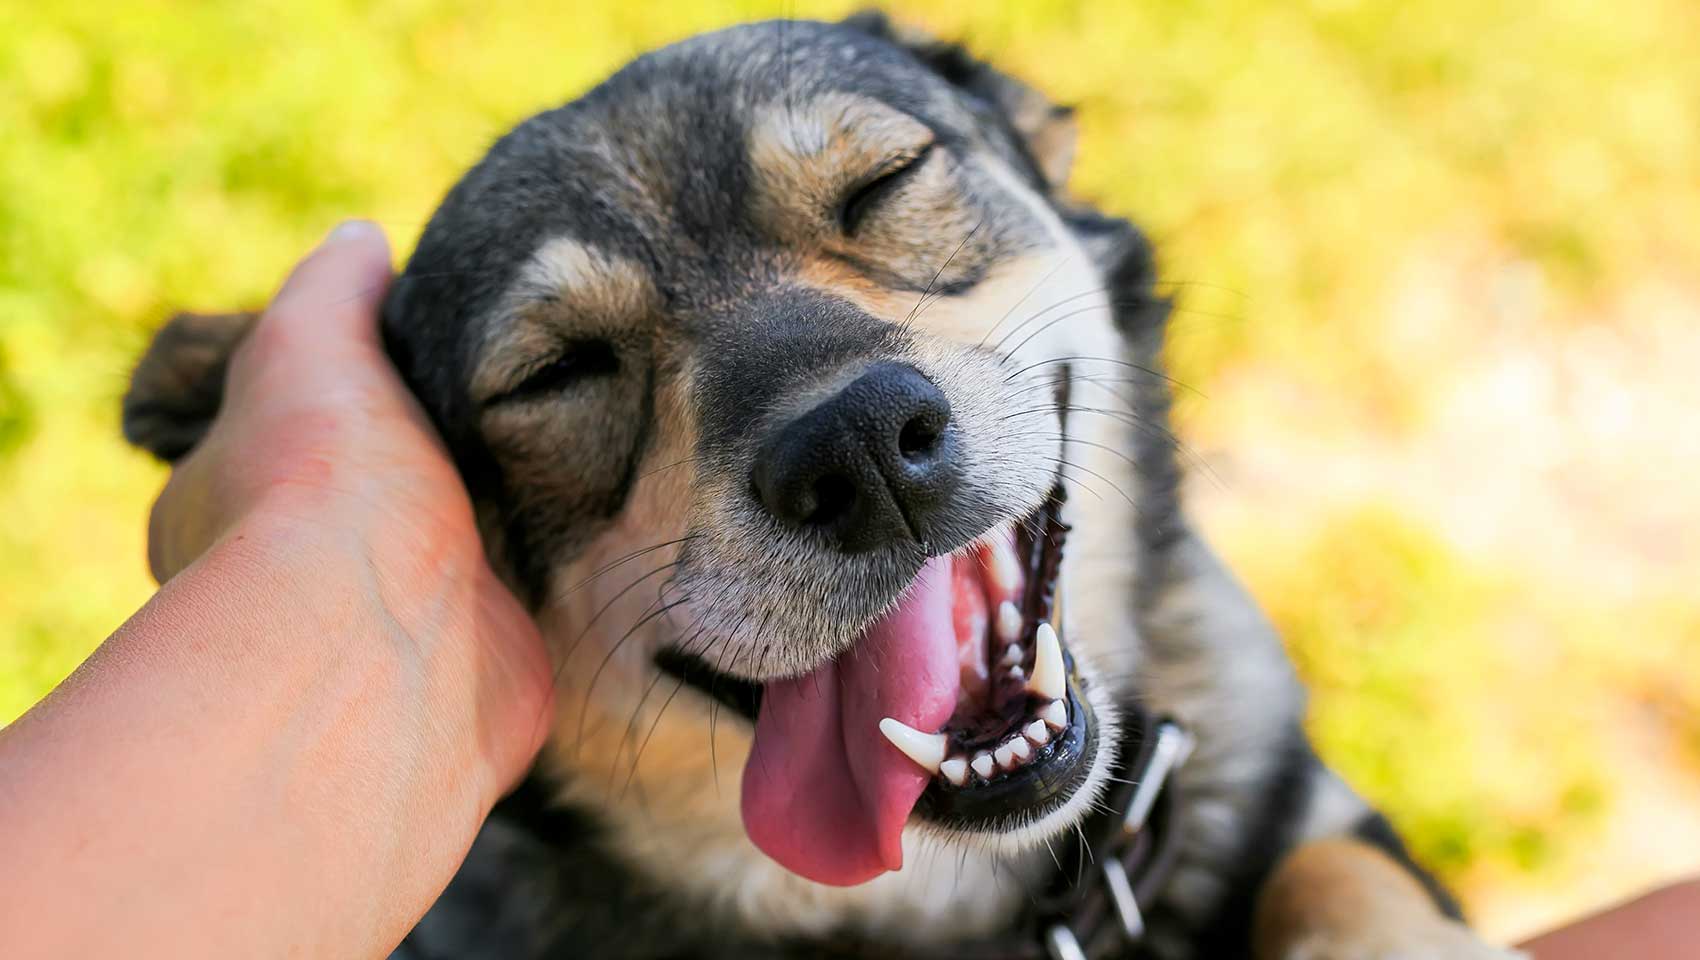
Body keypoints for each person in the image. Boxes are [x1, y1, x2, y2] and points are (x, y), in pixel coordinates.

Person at [0, 223, 1690, 958]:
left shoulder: (1206, 698)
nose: (848, 417)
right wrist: (327, 553)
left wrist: (1348, 910)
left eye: (882, 200)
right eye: (568, 366)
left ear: (1055, 191)